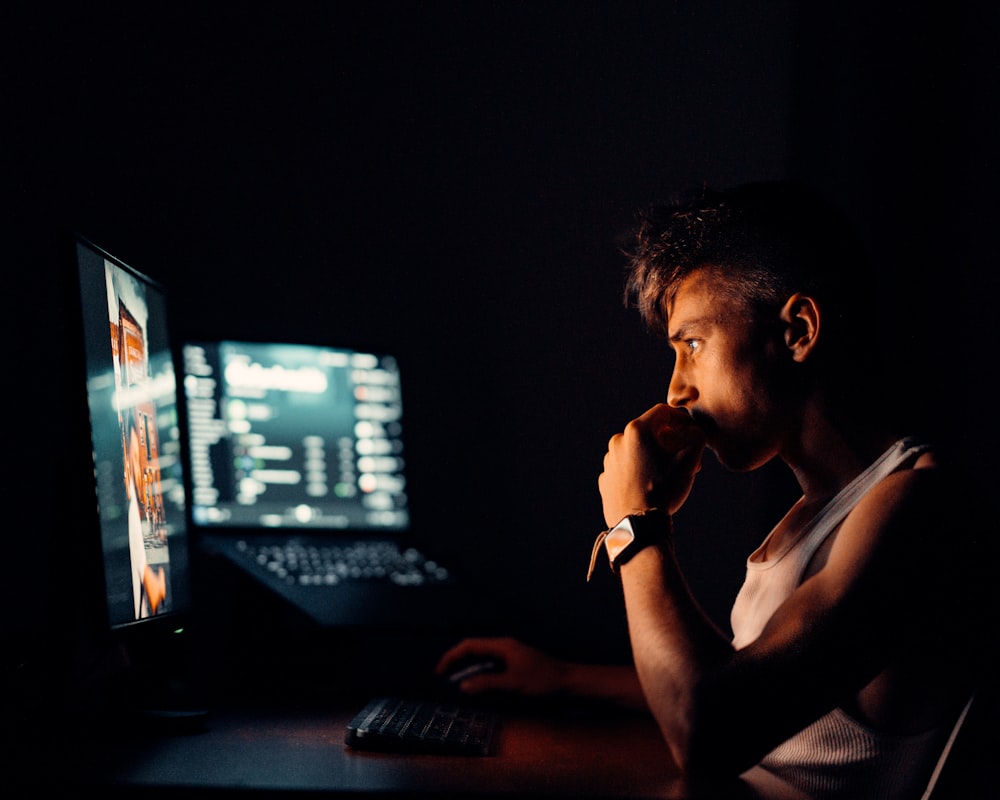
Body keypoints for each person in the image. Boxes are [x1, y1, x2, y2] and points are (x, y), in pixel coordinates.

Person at [435, 181, 987, 799]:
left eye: (692, 345)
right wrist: (562, 677)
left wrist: (635, 525)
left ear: (799, 331)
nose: (675, 390)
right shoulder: (825, 511)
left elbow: (709, 730)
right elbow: (755, 686)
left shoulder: (913, 506)